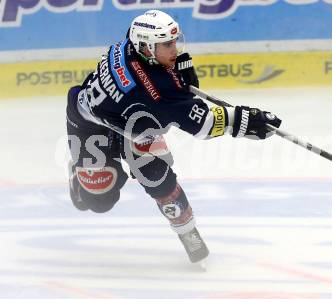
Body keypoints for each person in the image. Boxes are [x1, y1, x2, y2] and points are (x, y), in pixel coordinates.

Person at [66, 9, 282, 263]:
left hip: (136, 127)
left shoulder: (131, 44)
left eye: (175, 41)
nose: (175, 49)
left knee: (157, 176)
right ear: (146, 47)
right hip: (90, 123)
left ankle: (186, 231)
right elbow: (203, 125)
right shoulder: (155, 92)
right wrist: (247, 120)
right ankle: (77, 175)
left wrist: (179, 81)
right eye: (167, 44)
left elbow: (176, 94)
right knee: (99, 201)